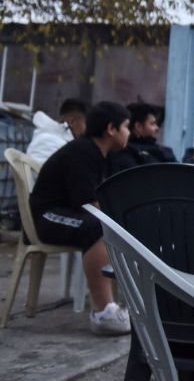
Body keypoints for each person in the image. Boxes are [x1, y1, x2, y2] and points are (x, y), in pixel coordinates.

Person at [28, 101, 132, 335]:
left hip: (71, 214)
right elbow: (88, 204)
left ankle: (129, 303)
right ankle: (103, 312)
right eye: (126, 126)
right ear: (111, 129)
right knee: (99, 226)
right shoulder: (82, 152)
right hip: (47, 216)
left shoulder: (103, 156)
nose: (129, 132)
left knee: (116, 225)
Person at [109, 102, 176, 172]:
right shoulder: (126, 152)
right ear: (138, 126)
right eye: (152, 124)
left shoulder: (165, 151)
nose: (157, 128)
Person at [25, 98, 88, 163]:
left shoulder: (51, 137)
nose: (88, 129)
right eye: (86, 123)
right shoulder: (53, 143)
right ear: (72, 121)